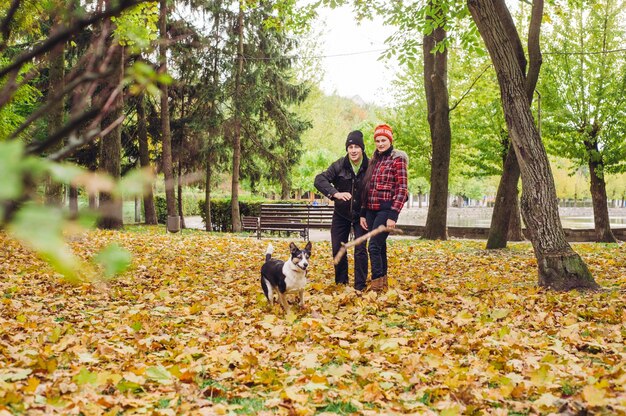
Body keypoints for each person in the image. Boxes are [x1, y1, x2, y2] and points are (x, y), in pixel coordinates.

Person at [314, 130, 369, 291]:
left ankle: (360, 286)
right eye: (350, 147)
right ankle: (341, 283)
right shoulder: (339, 165)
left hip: (361, 215)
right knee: (338, 248)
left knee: (360, 250)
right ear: (347, 149)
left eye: (356, 147)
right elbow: (319, 179)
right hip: (341, 214)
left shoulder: (370, 165)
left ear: (362, 149)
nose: (353, 150)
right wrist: (335, 193)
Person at [359, 124, 408, 293]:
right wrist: (363, 213)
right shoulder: (375, 160)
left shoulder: (398, 159)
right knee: (380, 247)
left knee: (373, 246)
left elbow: (402, 189)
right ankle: (383, 284)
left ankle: (376, 288)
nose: (380, 144)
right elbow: (367, 188)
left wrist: (393, 215)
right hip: (371, 210)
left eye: (383, 140)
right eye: (378, 141)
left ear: (390, 140)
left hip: (386, 210)